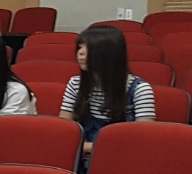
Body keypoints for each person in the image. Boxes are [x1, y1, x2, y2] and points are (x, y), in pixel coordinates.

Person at [61, 25, 154, 157]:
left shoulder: (140, 89)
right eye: (80, 47)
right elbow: (65, 129)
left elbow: (144, 138)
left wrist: (88, 147)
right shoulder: (75, 83)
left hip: (123, 156)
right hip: (82, 157)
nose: (80, 53)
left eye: (89, 49)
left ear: (109, 55)